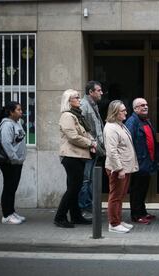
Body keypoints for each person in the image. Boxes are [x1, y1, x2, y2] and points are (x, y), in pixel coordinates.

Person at [55, 89, 96, 228]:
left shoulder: (77, 115)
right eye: (76, 97)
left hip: (77, 155)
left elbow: (85, 132)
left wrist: (92, 142)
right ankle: (60, 217)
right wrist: (90, 143)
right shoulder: (67, 116)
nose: (79, 99)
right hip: (71, 156)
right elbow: (73, 137)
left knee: (74, 188)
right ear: (68, 101)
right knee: (73, 188)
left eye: (78, 97)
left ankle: (76, 216)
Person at [104, 100, 139, 233]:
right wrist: (119, 169)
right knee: (115, 196)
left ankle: (118, 220)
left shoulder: (120, 125)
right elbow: (112, 151)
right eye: (122, 111)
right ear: (115, 112)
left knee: (120, 195)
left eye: (125, 109)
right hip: (118, 169)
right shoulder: (111, 128)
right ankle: (113, 223)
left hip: (124, 167)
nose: (126, 112)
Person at [125, 98, 159, 224]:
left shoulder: (146, 121)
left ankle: (142, 211)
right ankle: (136, 215)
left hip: (148, 161)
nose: (145, 107)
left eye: (146, 105)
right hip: (138, 162)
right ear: (135, 109)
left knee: (143, 188)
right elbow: (129, 144)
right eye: (141, 105)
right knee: (136, 189)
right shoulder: (132, 122)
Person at [78, 81, 105, 219]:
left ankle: (89, 206)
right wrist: (91, 143)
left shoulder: (93, 105)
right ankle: (84, 208)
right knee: (86, 179)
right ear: (91, 92)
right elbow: (81, 129)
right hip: (88, 148)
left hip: (95, 148)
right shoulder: (84, 105)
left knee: (90, 179)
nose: (101, 93)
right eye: (99, 90)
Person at [0, 101, 27, 225]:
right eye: (18, 110)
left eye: (21, 109)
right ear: (11, 112)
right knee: (8, 188)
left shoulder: (16, 123)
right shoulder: (7, 125)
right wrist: (14, 158)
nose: (21, 112)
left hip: (17, 162)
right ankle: (6, 215)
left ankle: (11, 212)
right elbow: (6, 144)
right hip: (10, 162)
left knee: (12, 188)